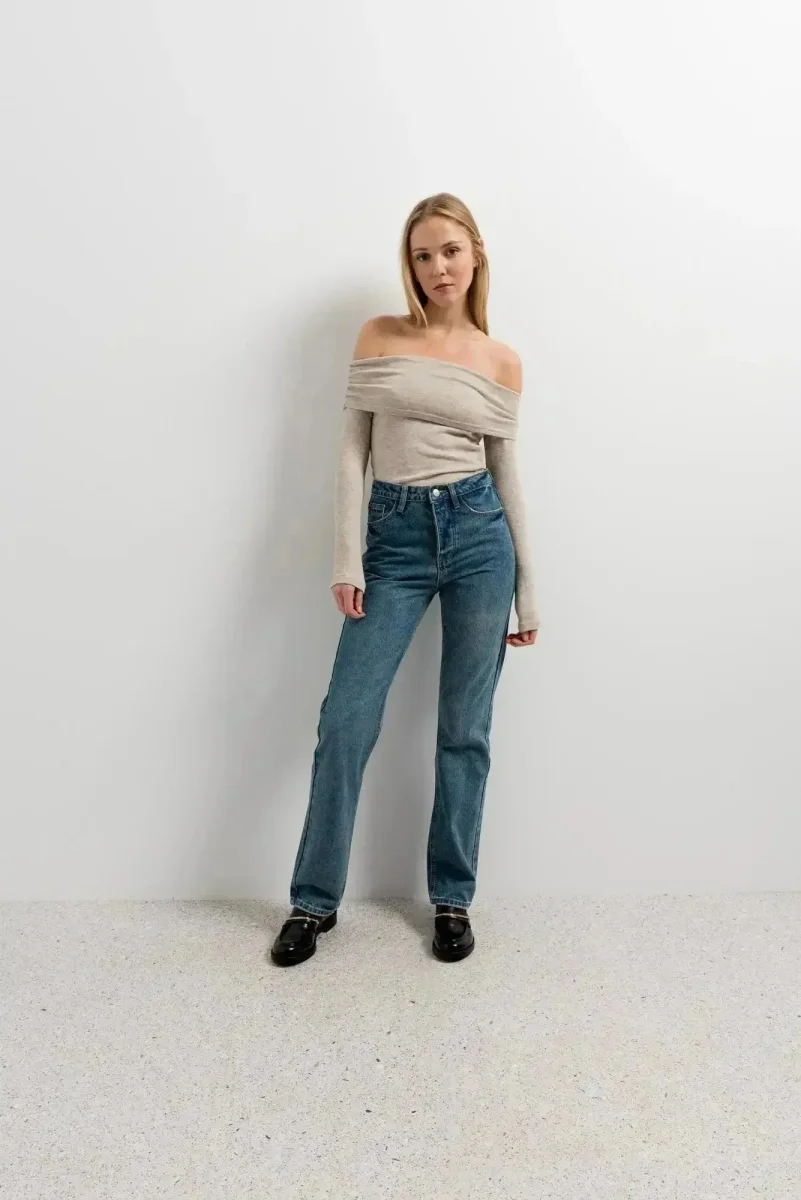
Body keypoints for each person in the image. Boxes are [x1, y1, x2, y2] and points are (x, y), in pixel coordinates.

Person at [271, 192, 540, 968]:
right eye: (422, 255)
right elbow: (351, 451)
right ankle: (313, 901)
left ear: (475, 253)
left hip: (478, 536)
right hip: (392, 540)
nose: (436, 268)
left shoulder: (500, 359)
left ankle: (451, 898)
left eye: (449, 250)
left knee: (464, 729)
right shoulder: (380, 335)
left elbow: (505, 470)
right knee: (345, 722)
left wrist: (528, 586)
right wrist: (346, 558)